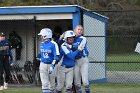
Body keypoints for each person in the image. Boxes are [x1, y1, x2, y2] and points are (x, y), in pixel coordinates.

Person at [38, 28, 60, 93]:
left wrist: (52, 66)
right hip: (43, 64)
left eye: (42, 35)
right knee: (44, 84)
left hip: (51, 64)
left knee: (52, 85)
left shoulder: (53, 44)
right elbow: (42, 55)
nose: (40, 37)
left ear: (46, 36)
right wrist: (40, 58)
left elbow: (57, 56)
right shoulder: (42, 44)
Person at [73, 25, 90, 93]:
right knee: (77, 83)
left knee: (85, 82)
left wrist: (71, 47)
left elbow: (80, 48)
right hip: (75, 61)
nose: (80, 31)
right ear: (75, 30)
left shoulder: (83, 38)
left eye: (81, 30)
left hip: (83, 60)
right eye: (78, 29)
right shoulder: (71, 38)